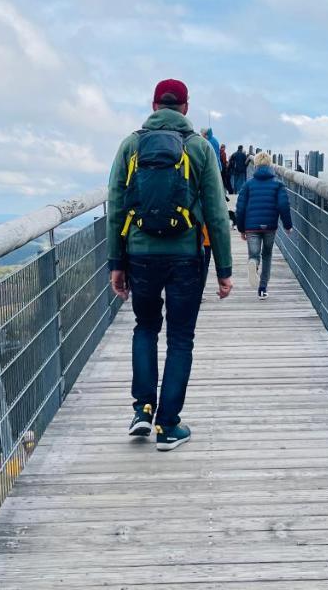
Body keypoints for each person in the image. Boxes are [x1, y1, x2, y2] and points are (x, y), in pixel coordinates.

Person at [107, 79, 234, 451]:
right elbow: (216, 212)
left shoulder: (131, 145)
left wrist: (117, 262)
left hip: (140, 254)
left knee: (145, 327)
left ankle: (142, 410)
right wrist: (225, 270)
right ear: (186, 107)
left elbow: (116, 206)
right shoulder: (198, 148)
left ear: (153, 104)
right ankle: (167, 426)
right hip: (186, 257)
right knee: (180, 338)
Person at [235, 151, 293, 298]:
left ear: (255, 166)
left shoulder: (248, 185)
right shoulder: (278, 184)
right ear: (270, 165)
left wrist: (241, 228)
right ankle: (262, 288)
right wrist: (288, 225)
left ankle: (253, 263)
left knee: (254, 254)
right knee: (267, 255)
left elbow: (240, 208)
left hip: (251, 226)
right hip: (270, 226)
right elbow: (283, 205)